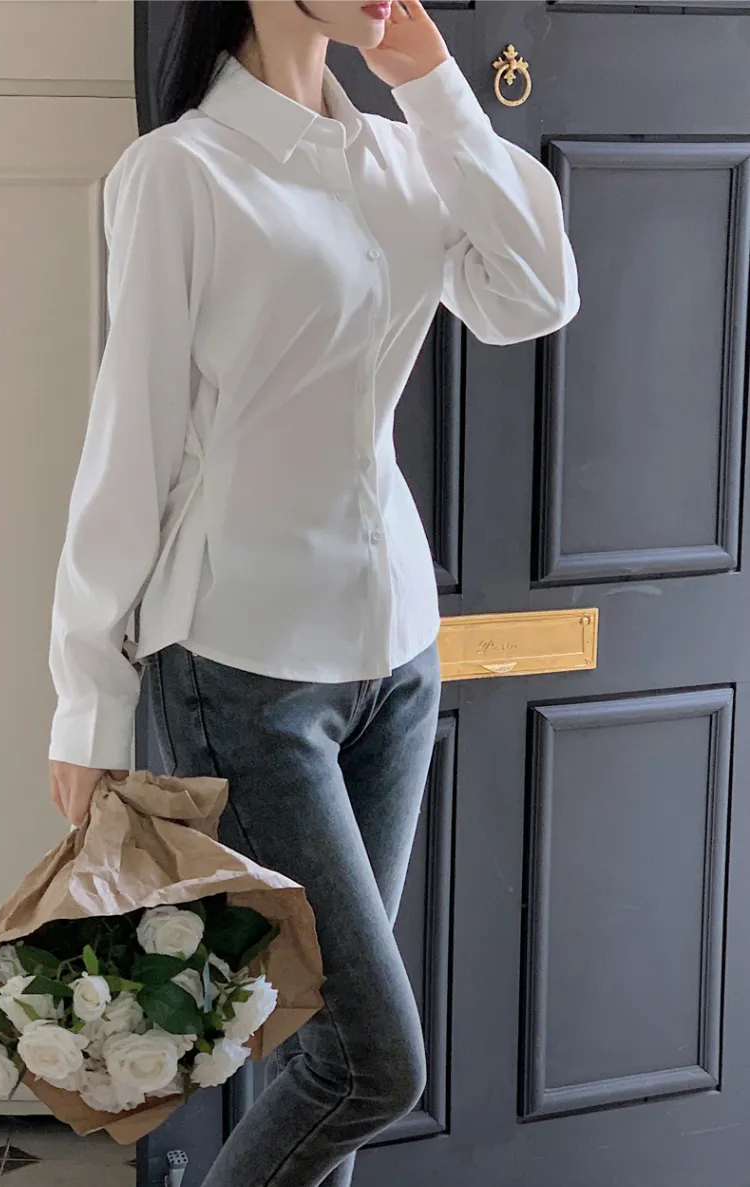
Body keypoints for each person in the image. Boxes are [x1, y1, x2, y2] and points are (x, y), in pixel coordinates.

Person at [47, 2, 579, 1183]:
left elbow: (533, 295)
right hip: (238, 668)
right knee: (370, 1063)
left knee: (320, 1051)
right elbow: (128, 450)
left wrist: (434, 86)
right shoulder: (179, 174)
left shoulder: (399, 155)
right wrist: (86, 698)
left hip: (394, 657)